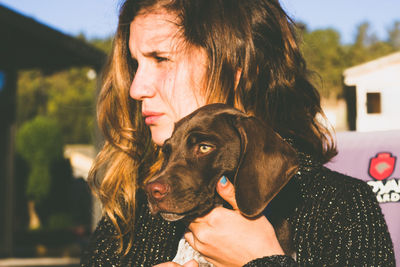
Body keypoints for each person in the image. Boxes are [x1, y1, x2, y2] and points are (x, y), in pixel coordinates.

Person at [80, 0, 395, 266]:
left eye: (161, 59)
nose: (136, 89)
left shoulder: (339, 208)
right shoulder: (134, 214)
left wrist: (260, 257)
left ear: (238, 67)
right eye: (136, 65)